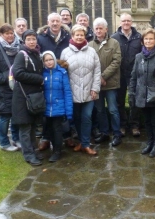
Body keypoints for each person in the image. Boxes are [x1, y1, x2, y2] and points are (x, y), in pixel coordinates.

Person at [129, 29, 155, 157]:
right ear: (142, 41)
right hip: (142, 95)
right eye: (146, 39)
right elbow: (134, 77)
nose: (148, 41)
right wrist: (131, 93)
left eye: (151, 39)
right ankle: (149, 142)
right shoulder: (138, 57)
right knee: (146, 121)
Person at [61, 25, 101, 156]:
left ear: (85, 36)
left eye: (81, 35)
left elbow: (97, 71)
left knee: (87, 117)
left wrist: (95, 88)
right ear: (72, 36)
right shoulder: (65, 52)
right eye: (76, 35)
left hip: (89, 92)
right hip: (73, 92)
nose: (79, 37)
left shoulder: (92, 52)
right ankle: (81, 142)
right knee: (77, 118)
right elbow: (63, 73)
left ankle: (86, 144)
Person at [37, 12, 72, 148]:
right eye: (52, 21)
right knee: (47, 108)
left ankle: (67, 135)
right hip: (47, 77)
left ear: (61, 22)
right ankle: (46, 137)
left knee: (63, 107)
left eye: (57, 21)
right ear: (48, 22)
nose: (55, 23)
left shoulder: (67, 37)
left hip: (63, 75)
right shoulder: (41, 38)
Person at [11, 29, 45, 166]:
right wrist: (39, 79)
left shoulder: (36, 54)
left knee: (31, 126)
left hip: (33, 97)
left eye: (34, 39)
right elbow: (18, 73)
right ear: (24, 41)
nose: (32, 41)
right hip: (22, 97)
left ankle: (34, 150)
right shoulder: (21, 54)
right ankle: (29, 155)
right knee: (25, 127)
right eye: (29, 39)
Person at [0, 24, 21, 152]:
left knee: (17, 115)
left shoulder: (19, 47)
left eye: (11, 33)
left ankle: (16, 139)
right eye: (7, 33)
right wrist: (4, 78)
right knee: (5, 117)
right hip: (3, 89)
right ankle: (4, 142)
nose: (10, 35)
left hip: (18, 88)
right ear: (1, 35)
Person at [90, 18, 123, 147]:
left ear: (106, 29)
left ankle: (116, 134)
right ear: (94, 30)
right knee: (99, 110)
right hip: (96, 84)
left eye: (101, 28)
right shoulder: (90, 45)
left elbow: (116, 62)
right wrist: (97, 79)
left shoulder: (114, 43)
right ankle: (104, 133)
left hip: (110, 84)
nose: (98, 31)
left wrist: (103, 76)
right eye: (96, 28)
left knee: (113, 109)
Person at [111, 13, 142, 137]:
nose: (126, 23)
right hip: (119, 74)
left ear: (131, 22)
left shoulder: (139, 37)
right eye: (124, 21)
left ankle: (134, 125)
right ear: (120, 22)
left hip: (134, 74)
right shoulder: (114, 38)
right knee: (120, 101)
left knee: (134, 100)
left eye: (128, 21)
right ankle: (122, 125)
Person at [42, 51, 73, 162]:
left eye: (51, 59)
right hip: (46, 108)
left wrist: (68, 111)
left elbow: (67, 92)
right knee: (49, 129)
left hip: (58, 107)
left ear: (54, 60)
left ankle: (57, 151)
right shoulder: (42, 73)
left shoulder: (62, 73)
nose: (49, 62)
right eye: (46, 60)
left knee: (57, 130)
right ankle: (52, 148)